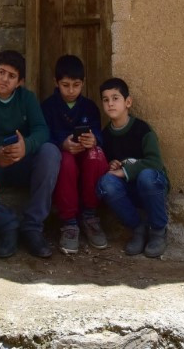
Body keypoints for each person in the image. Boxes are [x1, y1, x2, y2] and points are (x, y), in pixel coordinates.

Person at [0, 50, 61, 259]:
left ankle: (32, 227)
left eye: (11, 76)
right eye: (1, 72)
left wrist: (26, 145)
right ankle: (6, 225)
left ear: (20, 82)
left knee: (51, 152)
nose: (5, 79)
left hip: (21, 162)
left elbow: (42, 130)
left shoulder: (27, 98)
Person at [41, 55, 108, 254]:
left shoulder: (90, 107)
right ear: (56, 83)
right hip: (65, 160)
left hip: (86, 159)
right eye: (65, 85)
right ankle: (69, 222)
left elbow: (98, 131)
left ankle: (90, 216)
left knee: (95, 155)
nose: (71, 91)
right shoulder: (48, 107)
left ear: (83, 83)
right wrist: (62, 143)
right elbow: (43, 134)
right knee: (65, 161)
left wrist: (93, 140)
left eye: (76, 85)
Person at [96, 78, 170, 258]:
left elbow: (155, 163)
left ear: (128, 102)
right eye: (106, 100)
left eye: (115, 98)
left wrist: (125, 171)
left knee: (146, 176)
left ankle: (158, 231)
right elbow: (112, 164)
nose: (110, 103)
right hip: (130, 190)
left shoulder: (142, 129)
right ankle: (138, 229)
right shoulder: (106, 134)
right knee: (106, 183)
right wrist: (113, 165)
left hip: (153, 186)